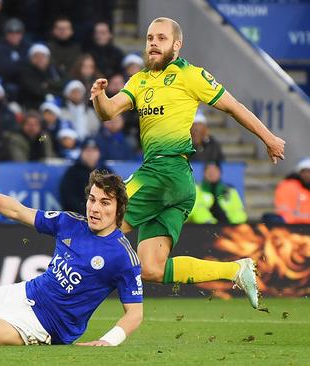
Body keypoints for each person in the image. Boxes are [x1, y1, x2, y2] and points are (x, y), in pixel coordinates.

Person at [89, 17, 286, 309]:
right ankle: (235, 270)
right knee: (152, 268)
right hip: (175, 184)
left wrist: (268, 137)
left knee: (100, 227)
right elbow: (108, 113)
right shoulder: (140, 80)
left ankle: (56, 301)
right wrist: (99, 97)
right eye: (149, 38)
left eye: (161, 38)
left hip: (164, 172)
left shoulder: (191, 75)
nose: (153, 43)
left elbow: (233, 106)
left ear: (176, 45)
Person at [0, 166, 142, 346]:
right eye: (92, 199)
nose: (95, 208)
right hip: (22, 293)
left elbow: (134, 313)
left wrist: (108, 341)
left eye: (105, 203)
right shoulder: (69, 223)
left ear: (119, 208)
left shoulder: (123, 256)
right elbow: (17, 211)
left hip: (41, 325)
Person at [59, 138, 110, 214]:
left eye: (93, 151)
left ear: (99, 153)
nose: (90, 154)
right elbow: (68, 197)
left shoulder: (106, 172)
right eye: (87, 151)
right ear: (82, 153)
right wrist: (86, 211)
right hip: (78, 216)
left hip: (102, 215)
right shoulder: (73, 172)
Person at [274, 157, 310, 224]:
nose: (308, 175)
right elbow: (286, 215)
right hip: (293, 227)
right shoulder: (289, 187)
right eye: (306, 172)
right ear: (300, 173)